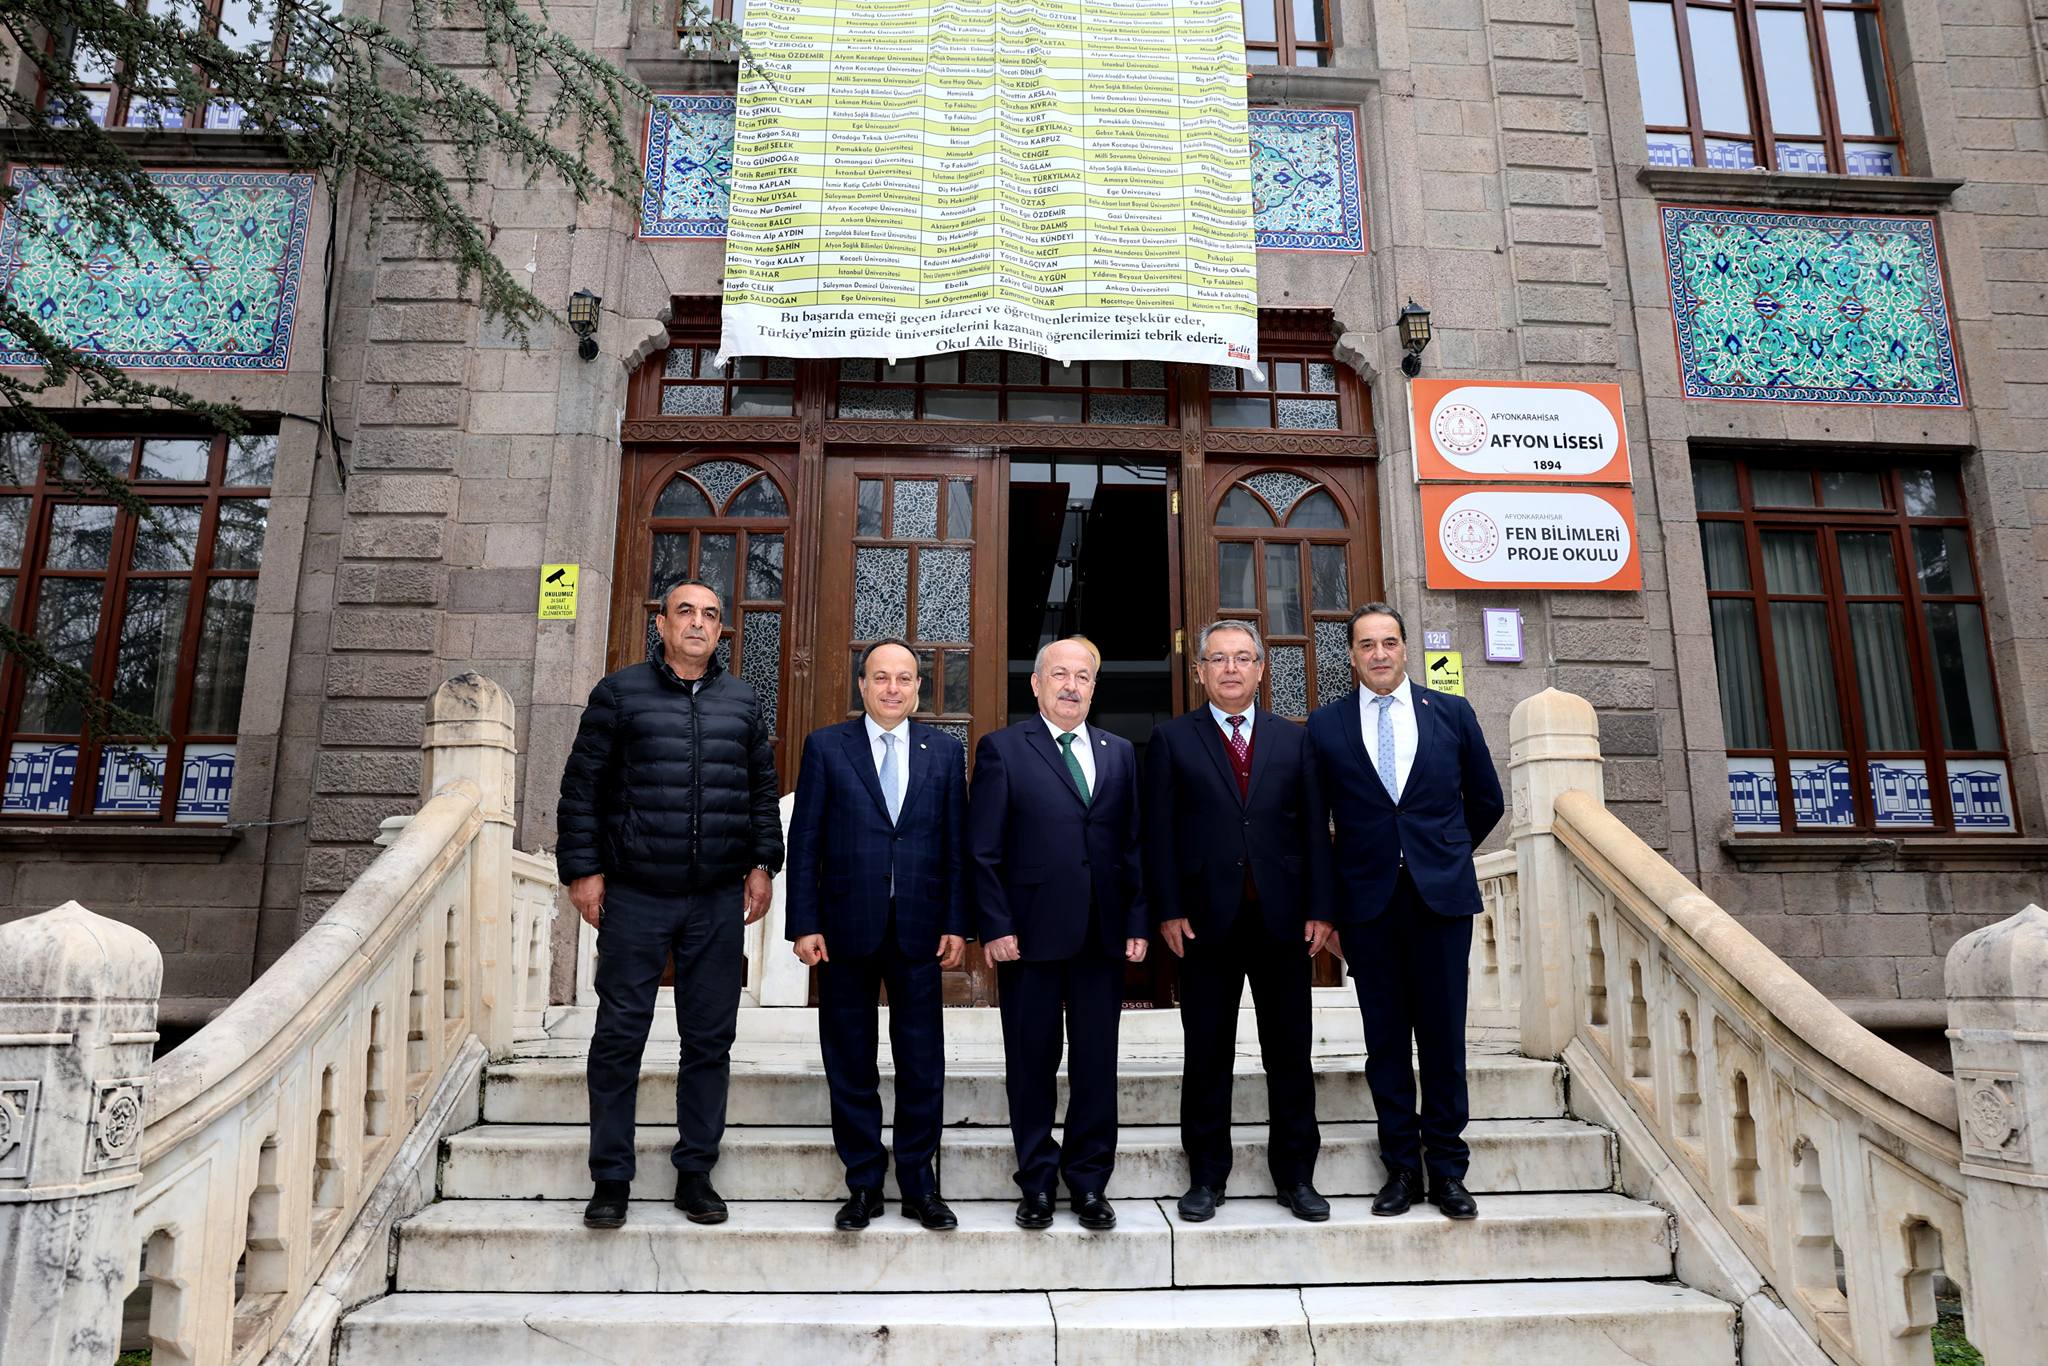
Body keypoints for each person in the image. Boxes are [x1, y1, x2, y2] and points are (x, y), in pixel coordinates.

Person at [556, 577, 783, 1230]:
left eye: (711, 615)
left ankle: (696, 1172)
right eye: (685, 611)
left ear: (721, 632)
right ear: (660, 624)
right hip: (635, 894)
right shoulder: (619, 694)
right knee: (619, 1037)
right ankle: (611, 1179)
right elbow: (582, 788)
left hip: (715, 899)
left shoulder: (741, 702)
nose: (698, 623)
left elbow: (760, 790)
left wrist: (763, 864)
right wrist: (584, 871)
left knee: (709, 1040)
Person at [1306, 602, 1504, 1221]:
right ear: (1351, 655)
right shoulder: (1326, 726)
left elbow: (1486, 799)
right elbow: (1315, 828)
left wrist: (1440, 854)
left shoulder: (1450, 712)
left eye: (1390, 641)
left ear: (1404, 647)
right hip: (1368, 908)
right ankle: (1400, 1169)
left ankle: (1447, 1169)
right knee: (1385, 1043)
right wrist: (1330, 911)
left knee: (1443, 1040)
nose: (1380, 653)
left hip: (1440, 900)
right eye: (1367, 644)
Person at [1143, 620, 1333, 1224]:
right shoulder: (1172, 740)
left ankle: (1297, 1176)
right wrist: (1167, 908)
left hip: (1283, 921)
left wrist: (1321, 908)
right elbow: (1159, 836)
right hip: (1204, 922)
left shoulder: (1294, 739)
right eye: (1218, 659)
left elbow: (1314, 832)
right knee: (1206, 1053)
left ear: (1260, 670)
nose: (1230, 668)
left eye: (1243, 658)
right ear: (1199, 671)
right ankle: (1206, 1176)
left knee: (1289, 1053)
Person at [785, 639, 969, 1232]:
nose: (893, 688)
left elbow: (956, 847)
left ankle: (919, 1182)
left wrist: (956, 921)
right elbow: (806, 840)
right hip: (843, 930)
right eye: (881, 677)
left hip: (920, 929)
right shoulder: (826, 747)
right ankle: (863, 1182)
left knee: (922, 1063)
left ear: (919, 689)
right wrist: (804, 922)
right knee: (850, 1060)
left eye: (905, 679)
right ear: (861, 685)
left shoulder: (943, 752)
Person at [969, 637, 1147, 1230]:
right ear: (1036, 684)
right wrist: (994, 926)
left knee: (1098, 1064)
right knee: (1031, 1062)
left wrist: (1137, 921)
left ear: (1095, 687)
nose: (1072, 686)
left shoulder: (1119, 752)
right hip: (1030, 938)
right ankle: (1038, 1182)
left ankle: (1090, 1184)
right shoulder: (1002, 750)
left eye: (1084, 677)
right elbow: (984, 850)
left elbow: (1132, 847)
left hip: (1102, 936)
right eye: (1060, 675)